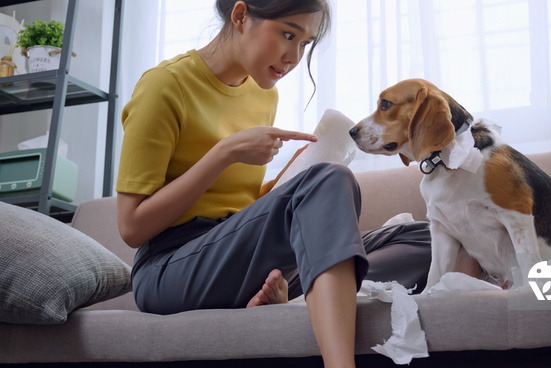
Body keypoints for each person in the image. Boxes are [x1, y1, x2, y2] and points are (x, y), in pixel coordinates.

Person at [116, 1, 431, 367]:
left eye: (305, 44)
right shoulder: (165, 86)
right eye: (287, 34)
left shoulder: (263, 92)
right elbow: (132, 227)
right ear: (240, 16)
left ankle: (301, 300)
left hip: (241, 259)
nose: (294, 57)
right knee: (330, 181)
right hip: (169, 267)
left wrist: (289, 182)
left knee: (423, 238)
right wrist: (225, 152)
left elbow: (240, 210)